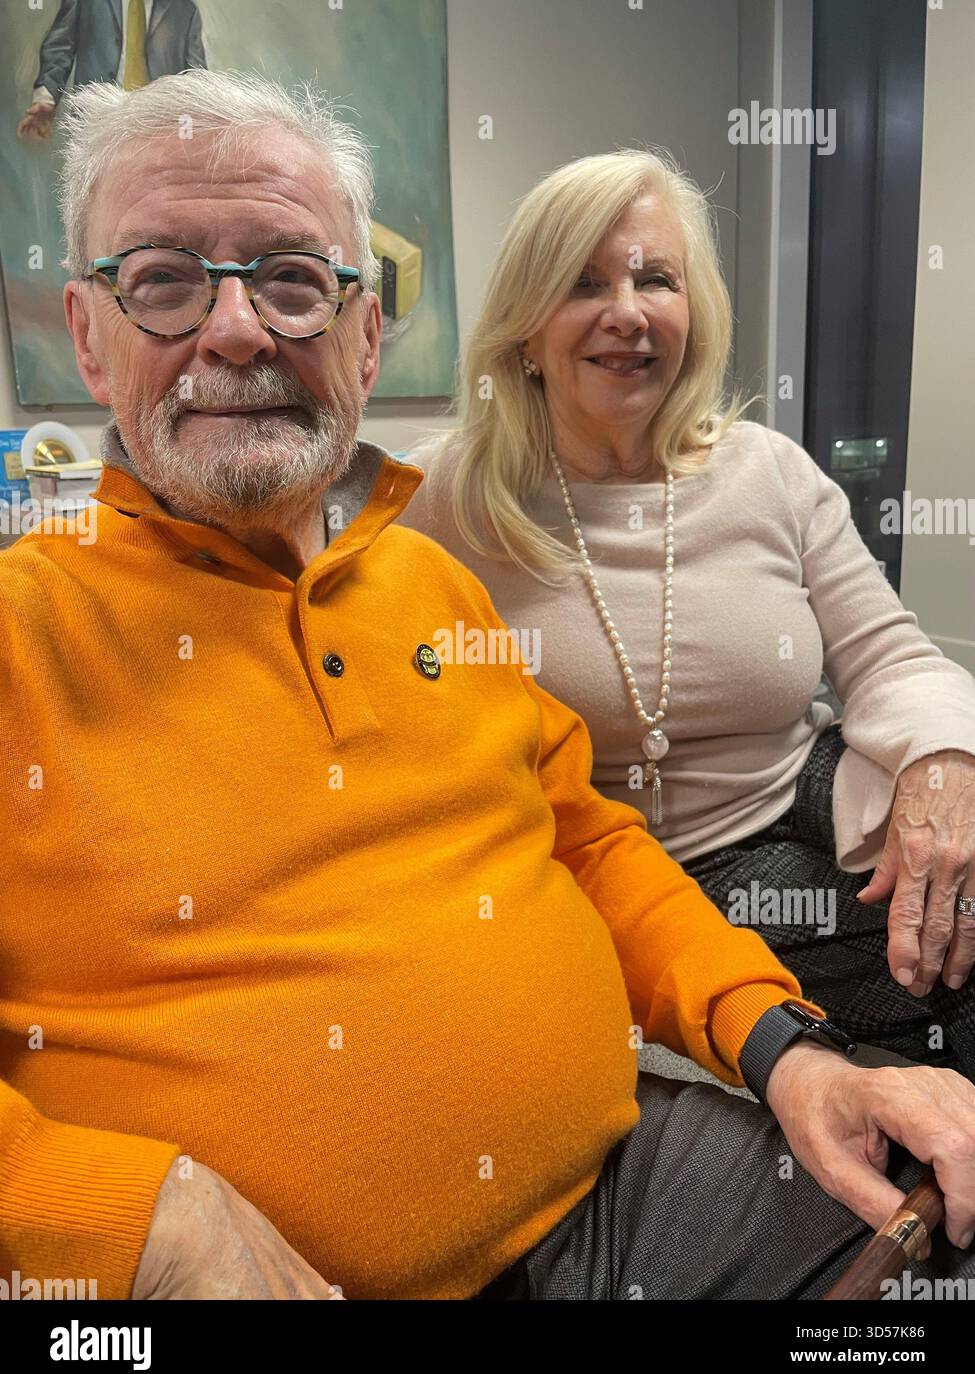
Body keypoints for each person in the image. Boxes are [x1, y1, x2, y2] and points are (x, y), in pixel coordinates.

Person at [2, 69, 975, 1303]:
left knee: (933, 1248)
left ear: (364, 336)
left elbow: (587, 841)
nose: (238, 330)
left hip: (630, 1177)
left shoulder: (429, 586)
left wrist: (793, 1055)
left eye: (294, 280)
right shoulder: (23, 634)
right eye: (165, 281)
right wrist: (136, 1219)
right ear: (87, 334)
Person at [398, 147, 975, 1083]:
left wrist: (945, 764)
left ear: (691, 311)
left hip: (810, 810)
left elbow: (893, 663)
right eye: (583, 282)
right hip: (611, 882)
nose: (626, 312)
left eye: (654, 279)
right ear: (524, 329)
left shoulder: (769, 471)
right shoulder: (439, 500)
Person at [17, 0, 207, 142]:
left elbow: (195, 77)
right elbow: (60, 45)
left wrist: (196, 127)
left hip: (157, 130)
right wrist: (46, 101)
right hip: (95, 124)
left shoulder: (185, 10)